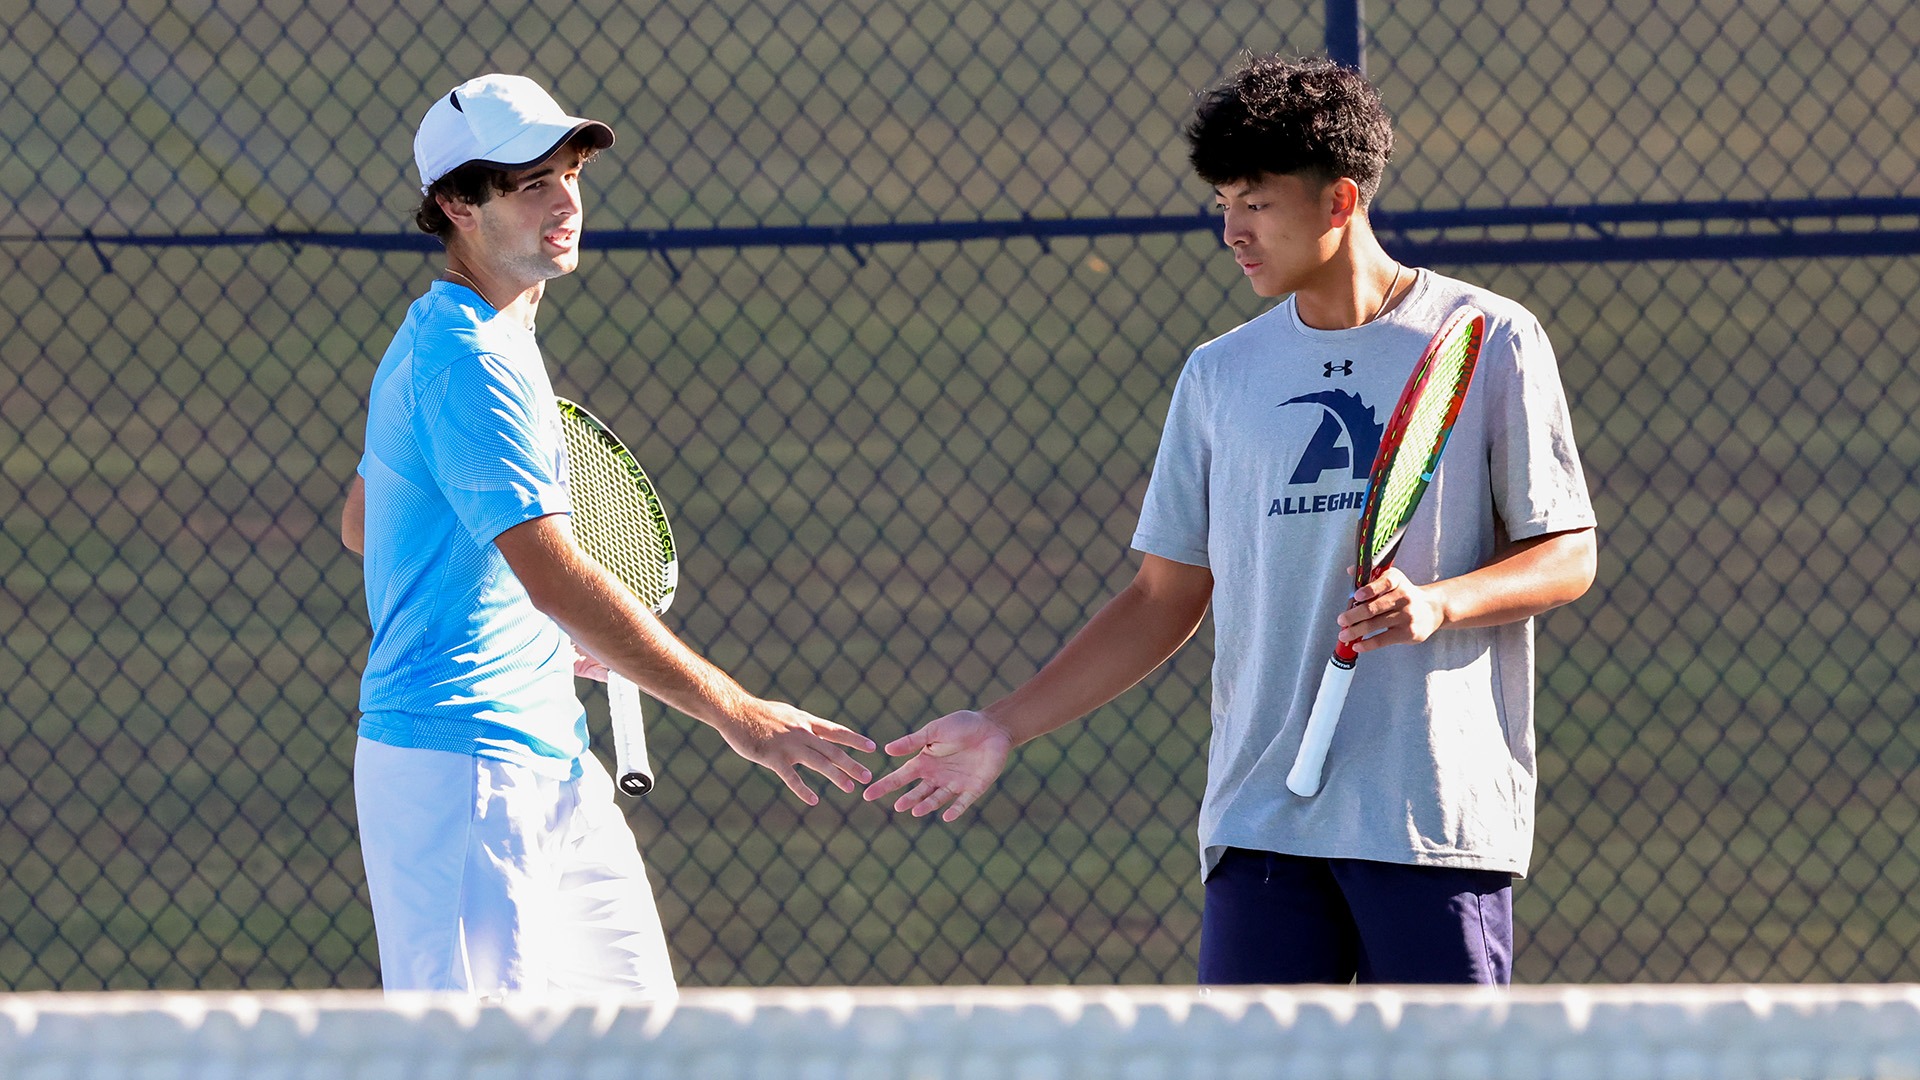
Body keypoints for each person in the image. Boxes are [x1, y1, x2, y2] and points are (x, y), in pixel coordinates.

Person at [863, 55, 1596, 985]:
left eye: (1255, 202)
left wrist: (1440, 605)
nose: (1232, 231)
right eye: (1222, 203)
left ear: (1339, 202)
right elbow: (1162, 597)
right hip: (1258, 827)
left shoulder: (1491, 337)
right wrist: (1006, 722)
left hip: (1428, 825)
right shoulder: (1219, 374)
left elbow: (1566, 555)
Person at [339, 73, 873, 997]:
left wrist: (534, 624)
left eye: (570, 173)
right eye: (530, 183)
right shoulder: (466, 359)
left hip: (550, 756)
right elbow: (554, 574)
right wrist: (741, 717)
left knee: (642, 1039)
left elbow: (363, 520)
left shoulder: (481, 337)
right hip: (459, 769)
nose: (565, 202)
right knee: (474, 1068)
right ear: (458, 205)